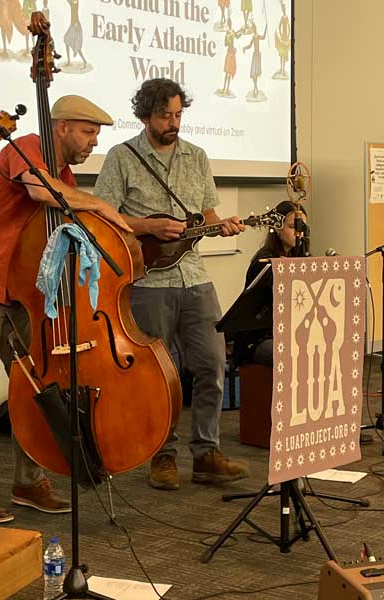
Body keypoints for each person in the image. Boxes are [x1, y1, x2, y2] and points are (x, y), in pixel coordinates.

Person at [0, 95, 130, 523]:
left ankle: (28, 482)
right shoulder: (23, 145)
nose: (93, 142)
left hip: (17, 290)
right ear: (61, 127)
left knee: (36, 384)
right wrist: (96, 203)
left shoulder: (63, 173)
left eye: (97, 134)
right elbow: (38, 190)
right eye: (87, 132)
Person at [94, 78, 249, 491]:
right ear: (145, 115)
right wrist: (148, 225)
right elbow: (102, 216)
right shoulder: (121, 157)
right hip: (147, 280)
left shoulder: (197, 157)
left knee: (212, 363)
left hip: (195, 277)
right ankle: (161, 456)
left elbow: (207, 214)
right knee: (157, 376)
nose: (174, 122)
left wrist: (226, 225)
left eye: (179, 114)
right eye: (165, 115)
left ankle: (206, 455)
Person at [234, 201, 307, 367]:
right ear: (277, 229)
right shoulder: (264, 262)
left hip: (289, 334)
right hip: (259, 338)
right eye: (292, 226)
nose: (298, 232)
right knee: (292, 353)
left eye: (302, 226)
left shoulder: (303, 258)